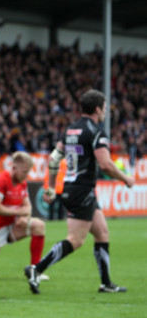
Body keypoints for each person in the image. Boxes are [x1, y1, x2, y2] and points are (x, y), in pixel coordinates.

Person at [26, 89, 135, 294]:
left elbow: (53, 159)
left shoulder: (70, 131)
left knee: (102, 231)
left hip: (73, 188)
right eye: (104, 107)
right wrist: (126, 178)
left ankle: (106, 283)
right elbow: (105, 165)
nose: (105, 111)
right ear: (96, 108)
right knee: (76, 240)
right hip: (82, 190)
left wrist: (50, 187)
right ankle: (37, 269)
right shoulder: (96, 132)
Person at [0, 151, 46, 278]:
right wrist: (18, 212)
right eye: (24, 171)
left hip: (11, 226)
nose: (26, 175)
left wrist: (23, 217)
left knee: (39, 226)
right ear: (14, 167)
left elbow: (28, 207)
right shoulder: (0, 181)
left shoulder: (22, 182)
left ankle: (35, 271)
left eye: (28, 172)